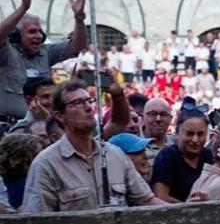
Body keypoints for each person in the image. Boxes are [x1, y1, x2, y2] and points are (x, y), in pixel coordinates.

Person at [21, 81, 163, 212]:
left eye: (89, 101)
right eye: (78, 102)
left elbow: (146, 200)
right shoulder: (46, 164)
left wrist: (183, 211)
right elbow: (36, 222)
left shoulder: (115, 155)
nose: (89, 107)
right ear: (60, 116)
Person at [0, 0, 88, 125]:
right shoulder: (6, 53)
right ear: (17, 35)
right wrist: (23, 8)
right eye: (32, 32)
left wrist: (79, 18)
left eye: (40, 32)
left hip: (41, 125)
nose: (38, 36)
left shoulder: (46, 52)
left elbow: (78, 46)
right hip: (9, 127)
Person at [150, 106, 213, 202]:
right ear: (177, 133)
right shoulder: (167, 156)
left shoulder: (208, 156)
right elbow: (160, 197)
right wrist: (187, 206)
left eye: (200, 134)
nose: (195, 140)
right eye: (189, 134)